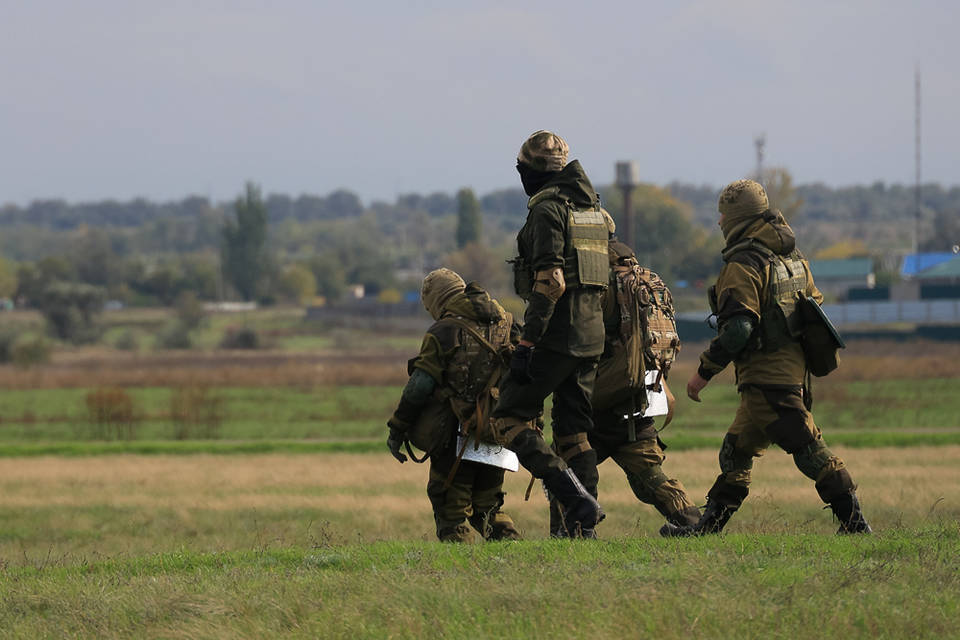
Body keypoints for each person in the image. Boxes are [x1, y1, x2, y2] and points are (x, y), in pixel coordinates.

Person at [662, 179, 871, 536]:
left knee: (808, 449)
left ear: (737, 218)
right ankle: (708, 529)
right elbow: (813, 306)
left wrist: (704, 371)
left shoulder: (743, 264)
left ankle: (855, 524)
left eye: (723, 215)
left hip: (767, 380)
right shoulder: (792, 258)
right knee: (735, 451)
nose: (719, 223)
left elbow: (739, 330)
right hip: (789, 372)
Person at [491, 130, 608, 538]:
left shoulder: (547, 211)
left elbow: (551, 282)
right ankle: (580, 532)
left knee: (508, 416)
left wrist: (527, 343)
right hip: (593, 337)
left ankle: (574, 498)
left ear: (531, 171)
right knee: (575, 434)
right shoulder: (592, 210)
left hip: (557, 337)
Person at [548, 232, 701, 536]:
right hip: (642, 390)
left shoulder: (598, 282)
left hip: (600, 393)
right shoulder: (646, 279)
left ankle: (571, 532)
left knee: (563, 463)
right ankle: (692, 521)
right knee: (647, 470)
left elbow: (579, 337)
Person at [386, 268, 521, 542]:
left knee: (451, 508)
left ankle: (459, 574)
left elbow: (420, 385)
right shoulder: (507, 323)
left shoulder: (444, 331)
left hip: (455, 435)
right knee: (489, 507)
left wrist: (398, 428)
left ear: (436, 300)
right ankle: (515, 559)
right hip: (497, 429)